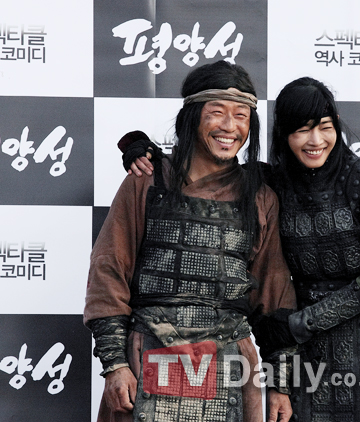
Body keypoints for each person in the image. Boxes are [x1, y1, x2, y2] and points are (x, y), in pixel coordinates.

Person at [123, 77, 360, 421]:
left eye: (325, 128)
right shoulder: (272, 181)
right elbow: (209, 172)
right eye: (302, 130)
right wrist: (145, 151)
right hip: (298, 346)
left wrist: (303, 322)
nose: (315, 141)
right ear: (284, 135)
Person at [84, 60, 297, 422]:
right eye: (217, 112)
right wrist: (115, 364)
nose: (230, 126)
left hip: (229, 364)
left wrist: (280, 383)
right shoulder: (147, 180)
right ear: (193, 116)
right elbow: (108, 271)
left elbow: (274, 298)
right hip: (148, 356)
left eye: (241, 116)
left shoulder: (261, 198)